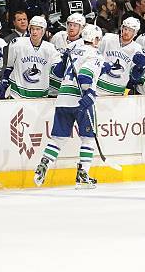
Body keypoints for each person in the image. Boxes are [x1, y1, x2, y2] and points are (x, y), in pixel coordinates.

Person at [34, 24, 105, 189]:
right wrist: (89, 93)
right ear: (95, 39)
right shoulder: (95, 54)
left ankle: (44, 163)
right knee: (87, 139)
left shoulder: (73, 50)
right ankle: (82, 175)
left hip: (63, 99)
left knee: (58, 139)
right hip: (80, 101)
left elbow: (59, 72)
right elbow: (85, 75)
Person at [0, 16, 60, 99]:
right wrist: (1, 81)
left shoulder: (50, 49)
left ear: (43, 31)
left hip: (41, 96)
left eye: (38, 29)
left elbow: (57, 71)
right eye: (32, 29)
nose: (34, 32)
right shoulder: (17, 44)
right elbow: (6, 65)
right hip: (17, 94)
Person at [97, 17, 145, 96]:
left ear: (135, 33)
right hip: (99, 88)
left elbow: (134, 74)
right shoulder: (107, 39)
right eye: (125, 29)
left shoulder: (137, 48)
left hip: (118, 92)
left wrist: (138, 70)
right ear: (122, 28)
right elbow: (95, 54)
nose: (126, 32)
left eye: (130, 30)